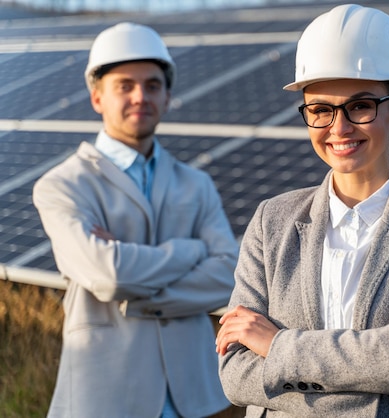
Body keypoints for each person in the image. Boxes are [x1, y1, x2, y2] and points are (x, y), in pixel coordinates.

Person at [216, 4, 389, 417]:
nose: (338, 128)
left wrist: (276, 347)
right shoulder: (273, 220)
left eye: (360, 106)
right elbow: (236, 375)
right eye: (320, 109)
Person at [33, 22, 239, 418]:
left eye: (152, 85)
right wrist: (191, 250)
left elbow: (228, 276)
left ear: (167, 97)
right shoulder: (62, 185)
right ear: (97, 98)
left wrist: (137, 289)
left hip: (192, 398)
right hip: (105, 394)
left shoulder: (195, 183)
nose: (140, 96)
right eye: (124, 85)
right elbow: (109, 275)